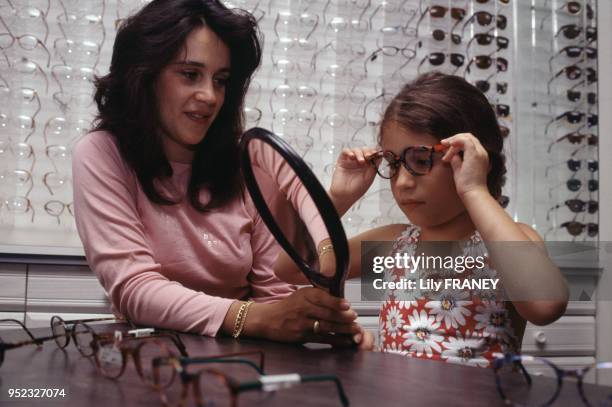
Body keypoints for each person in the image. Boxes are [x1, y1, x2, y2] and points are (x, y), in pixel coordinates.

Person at [72, 0, 367, 346]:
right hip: (145, 366)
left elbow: (273, 292)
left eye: (221, 80)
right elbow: (134, 288)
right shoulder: (102, 154)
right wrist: (252, 317)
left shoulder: (252, 164)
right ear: (145, 76)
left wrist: (315, 324)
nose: (210, 96)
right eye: (189, 74)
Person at [275, 72, 569, 366]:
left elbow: (545, 305)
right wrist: (338, 199)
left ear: (470, 158)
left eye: (420, 160)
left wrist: (474, 189)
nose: (402, 182)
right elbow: (289, 267)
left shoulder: (509, 242)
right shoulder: (393, 243)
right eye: (393, 162)